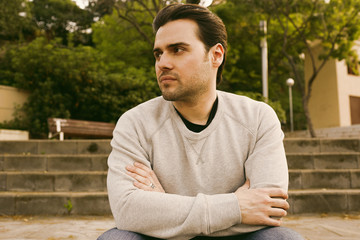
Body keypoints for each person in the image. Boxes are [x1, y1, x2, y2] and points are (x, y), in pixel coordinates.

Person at [98, 3, 304, 240]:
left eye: (177, 50)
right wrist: (236, 206)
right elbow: (127, 212)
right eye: (158, 53)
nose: (162, 63)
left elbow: (270, 209)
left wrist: (162, 205)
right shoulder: (134, 123)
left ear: (216, 55)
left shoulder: (257, 118)